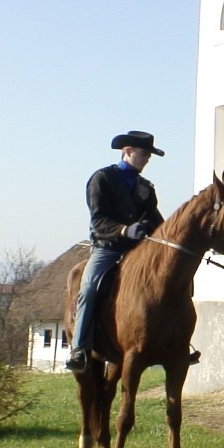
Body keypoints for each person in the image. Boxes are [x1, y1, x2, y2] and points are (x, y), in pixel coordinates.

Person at [66, 131, 167, 373]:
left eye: (149, 156)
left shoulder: (146, 188)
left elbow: (157, 221)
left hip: (139, 251)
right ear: (128, 151)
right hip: (107, 248)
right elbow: (98, 220)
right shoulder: (102, 179)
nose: (146, 159)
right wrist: (124, 231)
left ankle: (176, 343)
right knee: (89, 288)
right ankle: (79, 348)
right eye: (144, 154)